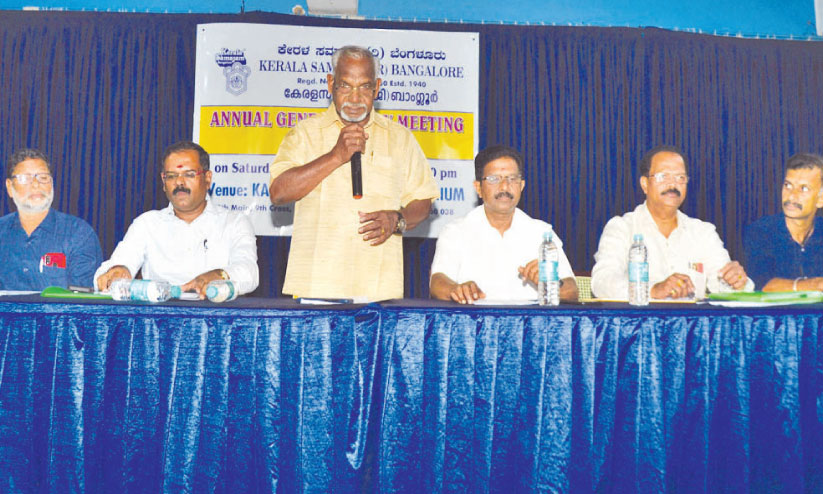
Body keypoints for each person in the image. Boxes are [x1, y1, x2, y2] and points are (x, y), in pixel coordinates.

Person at [269, 45, 437, 301]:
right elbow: (279, 192)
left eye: (365, 87)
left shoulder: (400, 137)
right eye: (345, 86)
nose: (355, 99)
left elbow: (423, 201)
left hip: (379, 289)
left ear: (377, 88)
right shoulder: (304, 133)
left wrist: (397, 219)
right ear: (331, 84)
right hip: (317, 287)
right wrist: (335, 156)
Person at [95, 141, 258, 298]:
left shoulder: (234, 223)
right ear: (163, 182)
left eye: (189, 174)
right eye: (171, 176)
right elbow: (107, 271)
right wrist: (117, 271)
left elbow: (249, 273)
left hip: (215, 314)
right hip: (158, 316)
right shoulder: (147, 224)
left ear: (207, 179)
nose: (179, 182)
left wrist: (219, 275)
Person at [592, 145, 753, 299]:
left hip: (692, 319)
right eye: (663, 176)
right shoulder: (622, 228)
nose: (672, 184)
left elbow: (723, 283)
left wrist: (736, 281)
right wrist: (653, 290)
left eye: (680, 178)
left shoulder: (703, 232)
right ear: (645, 184)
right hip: (641, 318)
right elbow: (602, 282)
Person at [430, 146, 578, 304]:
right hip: (476, 318)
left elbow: (572, 291)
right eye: (494, 179)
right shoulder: (456, 231)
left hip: (529, 319)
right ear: (478, 188)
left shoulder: (541, 233)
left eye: (512, 179)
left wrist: (552, 281)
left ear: (521, 186)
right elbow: (437, 283)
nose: (504, 187)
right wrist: (456, 289)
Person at [0, 148, 102, 290]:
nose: (36, 184)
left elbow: (82, 297)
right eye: (25, 178)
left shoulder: (78, 233)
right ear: (10, 187)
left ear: (52, 183)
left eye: (43, 177)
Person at [743, 153, 823, 291]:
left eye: (804, 189)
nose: (791, 196)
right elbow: (762, 285)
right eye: (788, 185)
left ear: (820, 200)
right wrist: (814, 285)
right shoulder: (761, 231)